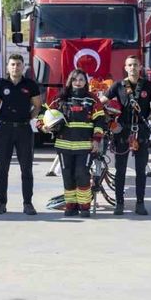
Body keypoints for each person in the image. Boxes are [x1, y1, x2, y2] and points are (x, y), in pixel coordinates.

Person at [42, 69, 106, 218]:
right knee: (67, 176)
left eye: (81, 79)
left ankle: (84, 207)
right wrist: (43, 126)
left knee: (81, 175)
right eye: (75, 79)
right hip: (64, 146)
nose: (78, 82)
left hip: (85, 146)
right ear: (70, 81)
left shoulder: (92, 100)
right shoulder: (60, 99)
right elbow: (44, 115)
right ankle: (71, 206)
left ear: (86, 82)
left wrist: (96, 140)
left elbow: (100, 121)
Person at [99, 54, 151, 216]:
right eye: (130, 65)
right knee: (120, 169)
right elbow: (101, 102)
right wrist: (108, 118)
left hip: (142, 131)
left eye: (135, 65)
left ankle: (140, 203)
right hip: (122, 131)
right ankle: (119, 203)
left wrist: (148, 116)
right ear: (125, 68)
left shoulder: (148, 86)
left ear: (140, 67)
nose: (133, 68)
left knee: (140, 169)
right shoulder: (118, 86)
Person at [0, 54, 41, 216]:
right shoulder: (0, 84)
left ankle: (28, 203)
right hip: (5, 129)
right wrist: (6, 119)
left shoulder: (30, 85)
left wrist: (26, 118)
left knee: (26, 169)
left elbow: (37, 106)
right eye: (12, 64)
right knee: (2, 169)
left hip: (24, 130)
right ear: (7, 67)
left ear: (23, 66)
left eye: (18, 64)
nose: (15, 67)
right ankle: (1, 203)